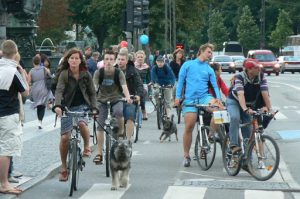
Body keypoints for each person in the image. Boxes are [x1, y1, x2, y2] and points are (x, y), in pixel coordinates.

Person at [174, 43, 223, 167]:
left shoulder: (209, 69)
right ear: (201, 51)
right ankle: (186, 155)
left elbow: (215, 85)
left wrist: (218, 99)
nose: (210, 54)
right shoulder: (188, 65)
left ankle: (210, 136)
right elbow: (180, 82)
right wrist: (178, 97)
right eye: (209, 52)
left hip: (204, 97)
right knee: (189, 126)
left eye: (211, 52)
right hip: (190, 99)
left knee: (219, 111)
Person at [54, 48, 97, 181]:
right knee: (65, 138)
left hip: (82, 106)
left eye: (76, 58)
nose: (74, 60)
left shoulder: (86, 74)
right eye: (71, 58)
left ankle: (86, 146)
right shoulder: (64, 74)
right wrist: (57, 106)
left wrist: (94, 108)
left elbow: (92, 92)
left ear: (80, 60)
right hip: (67, 106)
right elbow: (59, 90)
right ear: (68, 60)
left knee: (82, 124)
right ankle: (63, 166)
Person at [93, 50, 132, 165]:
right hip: (102, 100)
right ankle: (99, 153)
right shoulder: (98, 73)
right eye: (107, 59)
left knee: (119, 111)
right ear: (103, 61)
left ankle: (120, 132)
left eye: (111, 59)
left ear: (114, 61)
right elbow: (94, 87)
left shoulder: (118, 73)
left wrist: (128, 97)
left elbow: (124, 86)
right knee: (100, 125)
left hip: (116, 98)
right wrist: (92, 99)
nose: (109, 62)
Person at [226, 58, 274, 154]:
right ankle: (233, 145)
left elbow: (265, 93)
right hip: (234, 101)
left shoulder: (261, 76)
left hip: (248, 104)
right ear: (249, 69)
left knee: (248, 131)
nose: (259, 69)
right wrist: (245, 109)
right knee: (235, 117)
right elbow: (240, 94)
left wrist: (270, 109)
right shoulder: (240, 77)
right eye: (256, 68)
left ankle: (247, 159)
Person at [0, 40, 29, 195]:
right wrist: (22, 71)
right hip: (8, 114)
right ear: (15, 53)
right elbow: (25, 92)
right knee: (6, 149)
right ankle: (4, 183)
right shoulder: (13, 71)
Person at [117, 50, 144, 140]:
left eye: (122, 59)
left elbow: (139, 85)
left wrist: (138, 95)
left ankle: (128, 141)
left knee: (130, 115)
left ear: (127, 61)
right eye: (119, 59)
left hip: (130, 99)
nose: (120, 61)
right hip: (115, 99)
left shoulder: (133, 71)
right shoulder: (112, 70)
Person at [27, 55, 54, 129]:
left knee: (39, 106)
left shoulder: (31, 71)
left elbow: (28, 82)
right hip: (43, 88)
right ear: (40, 62)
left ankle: (39, 121)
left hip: (35, 89)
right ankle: (40, 122)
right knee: (42, 106)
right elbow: (50, 77)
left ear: (33, 62)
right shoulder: (45, 69)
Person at [134, 50, 151, 120]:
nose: (140, 58)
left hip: (143, 85)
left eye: (141, 57)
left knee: (141, 94)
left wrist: (149, 85)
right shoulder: (133, 66)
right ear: (136, 58)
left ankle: (144, 111)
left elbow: (149, 79)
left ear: (144, 57)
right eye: (138, 57)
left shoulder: (147, 67)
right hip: (134, 84)